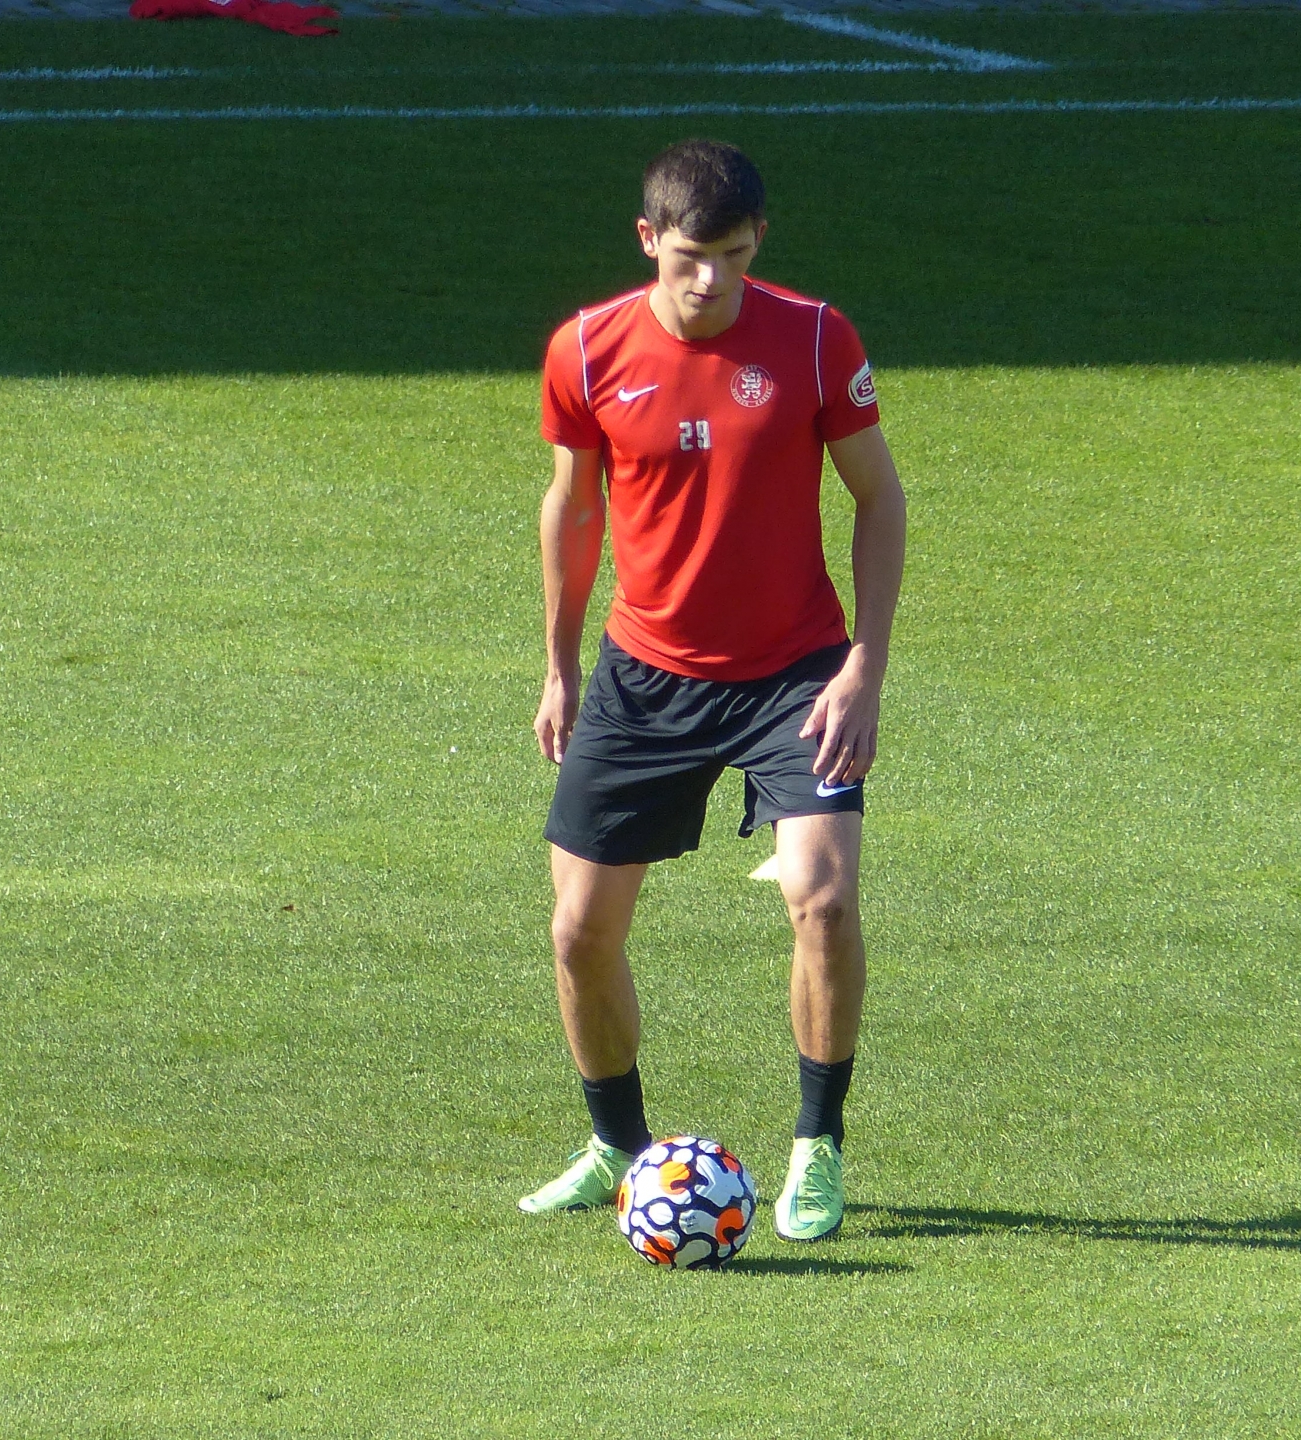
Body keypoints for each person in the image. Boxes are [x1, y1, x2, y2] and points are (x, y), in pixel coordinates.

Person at [519, 138, 906, 1242]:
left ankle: (817, 1148)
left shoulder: (817, 339)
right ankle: (617, 1147)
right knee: (579, 931)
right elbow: (574, 508)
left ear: (758, 241)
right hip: (645, 675)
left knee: (824, 898)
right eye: (691, 256)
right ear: (649, 239)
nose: (712, 280)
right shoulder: (586, 349)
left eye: (734, 255)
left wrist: (865, 667)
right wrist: (559, 666)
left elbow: (880, 499)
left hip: (796, 673)